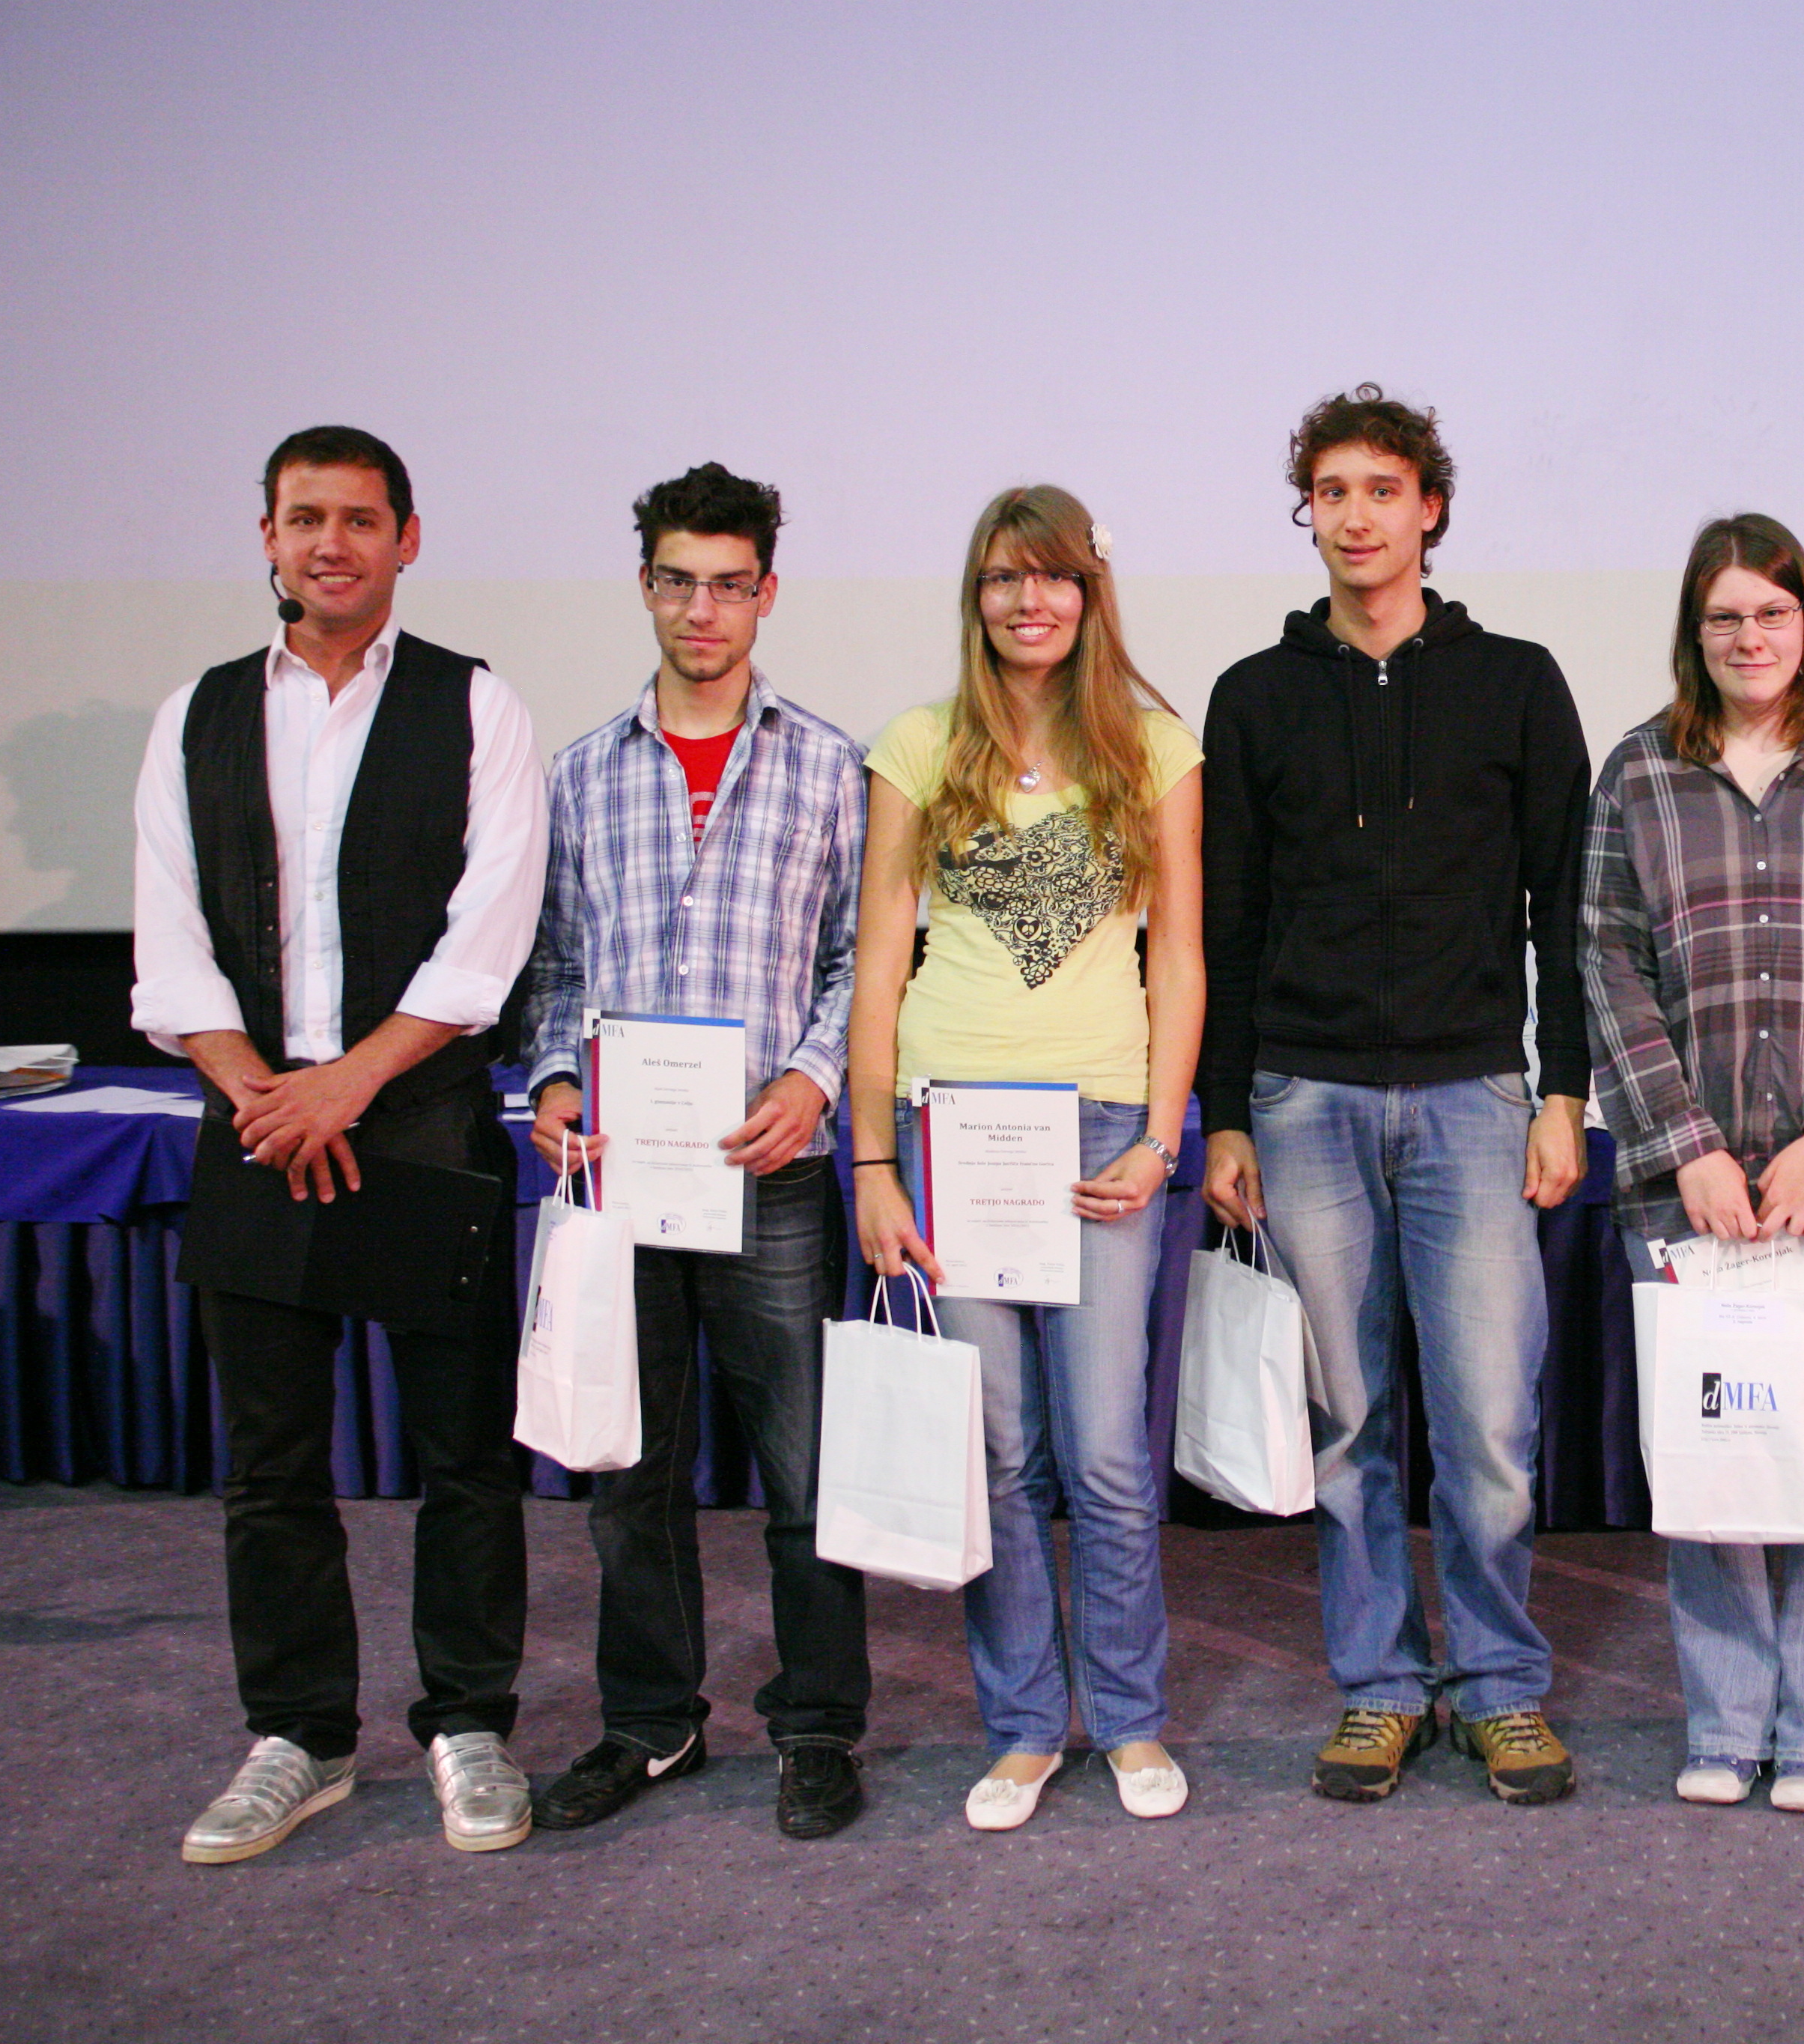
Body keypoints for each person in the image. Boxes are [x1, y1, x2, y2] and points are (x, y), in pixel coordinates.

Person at [131, 426, 548, 1861]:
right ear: (267, 535)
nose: (332, 544)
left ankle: (470, 1722)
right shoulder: (195, 715)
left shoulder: (477, 704)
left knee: (463, 1454)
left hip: (418, 1123)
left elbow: (488, 936)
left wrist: (346, 1086)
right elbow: (170, 940)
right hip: (255, 1125)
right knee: (270, 1465)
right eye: (305, 518)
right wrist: (269, 1094)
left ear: (407, 540)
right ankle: (299, 1737)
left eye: (361, 520)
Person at [1198, 385, 1591, 1804]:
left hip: (1475, 1096)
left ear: (1431, 508)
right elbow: (1227, 923)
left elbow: (1565, 909)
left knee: (1488, 1427)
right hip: (1302, 1100)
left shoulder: (1519, 682)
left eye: (1383, 489)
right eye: (1331, 492)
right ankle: (1377, 1688)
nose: (1356, 517)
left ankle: (1498, 1685)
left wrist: (1566, 1090)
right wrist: (1225, 1112)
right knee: (1348, 1427)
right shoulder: (1254, 696)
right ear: (1306, 513)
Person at [520, 463, 874, 1840]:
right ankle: (650, 1721)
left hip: (767, 1171)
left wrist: (812, 1076)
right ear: (647, 586)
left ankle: (820, 1725)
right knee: (631, 1474)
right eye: (680, 581)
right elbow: (555, 968)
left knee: (804, 1473)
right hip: (621, 1178)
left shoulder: (830, 766)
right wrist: (555, 1078)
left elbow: (860, 962)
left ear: (767, 593)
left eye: (731, 585)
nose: (703, 610)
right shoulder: (579, 774)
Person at [1582, 512, 1804, 1814]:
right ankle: (1727, 1725)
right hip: (1685, 1195)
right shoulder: (1638, 774)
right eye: (1725, 617)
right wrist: (1685, 1147)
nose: (1750, 637)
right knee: (1716, 1456)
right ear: (1695, 632)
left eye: (1772, 614)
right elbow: (1607, 969)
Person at [849, 484, 1201, 1831]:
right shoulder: (918, 744)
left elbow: (1180, 960)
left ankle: (1129, 1718)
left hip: (1102, 1132)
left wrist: (1162, 1136)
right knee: (997, 1453)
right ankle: (1021, 1728)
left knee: (1106, 1454)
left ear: (1091, 592)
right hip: (950, 1133)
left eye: (1052, 576)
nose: (1029, 600)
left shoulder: (1156, 747)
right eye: (1004, 578)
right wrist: (873, 1164)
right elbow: (880, 966)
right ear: (976, 597)